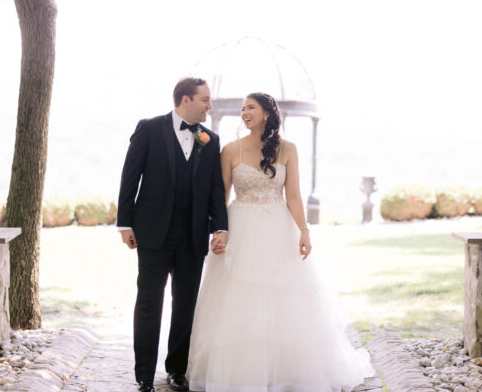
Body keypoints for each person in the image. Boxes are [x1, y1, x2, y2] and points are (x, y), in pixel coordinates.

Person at [187, 92, 375, 391]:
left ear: (266, 113)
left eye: (251, 107)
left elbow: (295, 196)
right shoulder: (230, 150)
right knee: (237, 297)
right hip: (240, 227)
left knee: (284, 297)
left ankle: (283, 371)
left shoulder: (288, 149)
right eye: (242, 108)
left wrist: (304, 230)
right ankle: (240, 372)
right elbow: (221, 196)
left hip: (278, 229)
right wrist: (218, 231)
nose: (244, 112)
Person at [117, 77, 229, 392]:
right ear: (185, 100)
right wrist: (124, 223)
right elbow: (130, 176)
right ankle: (144, 376)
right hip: (152, 233)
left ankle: (176, 370)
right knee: (149, 303)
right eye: (205, 99)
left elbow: (216, 188)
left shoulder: (210, 139)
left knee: (185, 305)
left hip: (193, 236)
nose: (210, 105)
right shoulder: (149, 129)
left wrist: (220, 226)